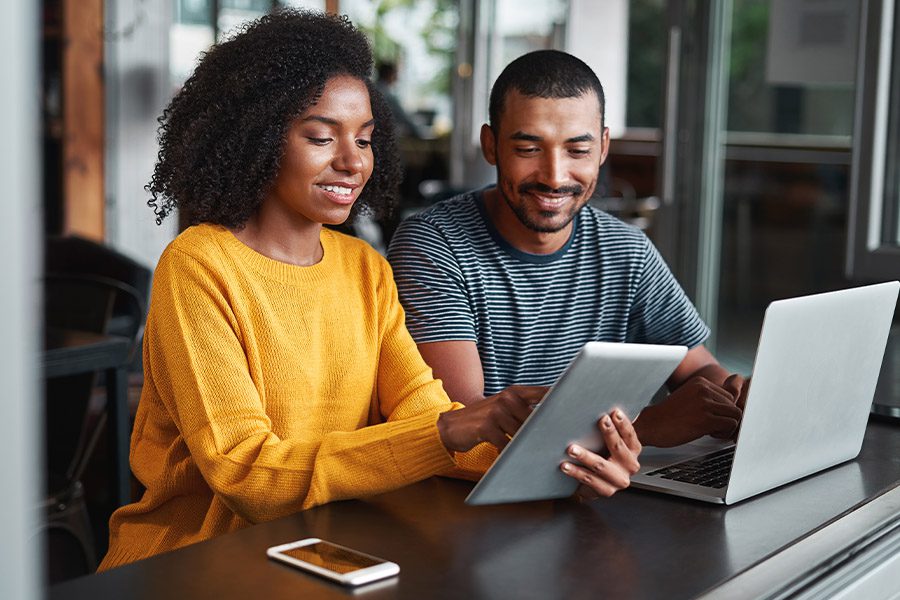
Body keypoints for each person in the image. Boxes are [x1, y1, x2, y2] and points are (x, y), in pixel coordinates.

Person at [99, 14, 641, 571]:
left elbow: (424, 417)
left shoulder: (365, 269)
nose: (353, 162)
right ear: (257, 137)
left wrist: (567, 465)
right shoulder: (198, 265)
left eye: (364, 139)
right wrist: (451, 428)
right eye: (320, 137)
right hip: (193, 564)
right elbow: (249, 476)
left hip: (321, 553)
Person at [387, 50, 747, 449]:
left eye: (578, 151)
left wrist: (734, 396)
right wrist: (644, 428)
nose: (555, 177)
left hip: (597, 490)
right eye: (528, 149)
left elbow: (699, 369)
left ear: (603, 147)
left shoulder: (626, 250)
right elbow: (464, 425)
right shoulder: (434, 244)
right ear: (491, 146)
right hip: (470, 500)